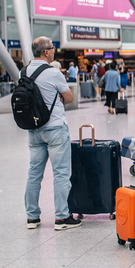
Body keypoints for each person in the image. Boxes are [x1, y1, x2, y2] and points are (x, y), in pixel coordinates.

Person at [24, 37, 80, 231]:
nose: (54, 50)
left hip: (34, 129)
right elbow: (69, 97)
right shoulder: (53, 73)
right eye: (52, 48)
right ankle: (62, 217)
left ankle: (32, 217)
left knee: (34, 173)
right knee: (61, 173)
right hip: (55, 128)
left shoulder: (25, 71)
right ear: (46, 52)